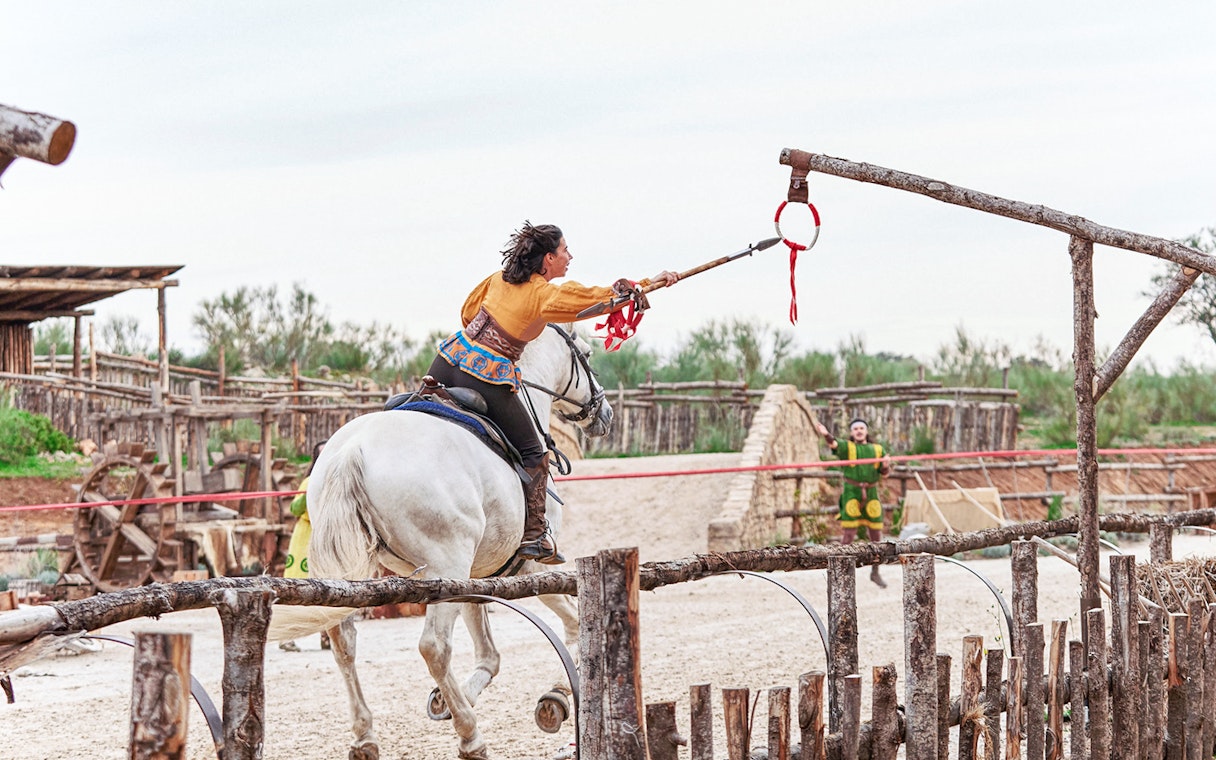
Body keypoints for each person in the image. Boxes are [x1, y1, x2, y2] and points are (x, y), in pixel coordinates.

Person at [425, 221, 678, 564]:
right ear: (547, 260)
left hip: (446, 359)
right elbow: (595, 298)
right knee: (533, 452)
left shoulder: (497, 279)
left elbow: (468, 311)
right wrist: (649, 283)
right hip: (485, 374)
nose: (569, 257)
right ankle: (534, 536)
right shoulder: (542, 295)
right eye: (564, 251)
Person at [813, 417, 891, 587]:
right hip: (852, 492)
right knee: (849, 533)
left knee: (876, 534)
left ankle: (875, 571)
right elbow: (834, 444)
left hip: (871, 492)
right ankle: (838, 572)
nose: (859, 431)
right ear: (852, 432)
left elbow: (884, 472)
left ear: (866, 431)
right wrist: (826, 435)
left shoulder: (877, 449)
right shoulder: (847, 447)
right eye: (855, 428)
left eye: (861, 428)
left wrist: (885, 465)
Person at [280, 439, 328, 651]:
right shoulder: (309, 482)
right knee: (297, 587)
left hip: (325, 536)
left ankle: (327, 636)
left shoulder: (335, 480)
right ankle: (285, 636)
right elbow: (295, 508)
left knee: (328, 587)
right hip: (306, 535)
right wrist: (308, 497)